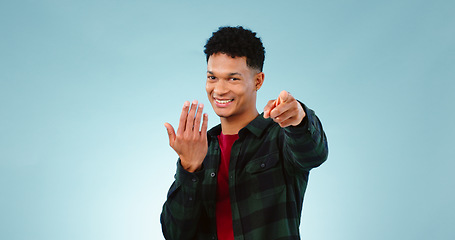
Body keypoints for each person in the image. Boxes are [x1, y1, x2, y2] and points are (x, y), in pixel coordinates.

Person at [161, 26, 328, 240]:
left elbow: (314, 153)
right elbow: (175, 234)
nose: (219, 90)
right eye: (212, 78)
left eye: (233, 79)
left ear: (257, 81)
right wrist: (189, 168)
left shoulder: (279, 136)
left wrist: (298, 119)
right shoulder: (202, 148)